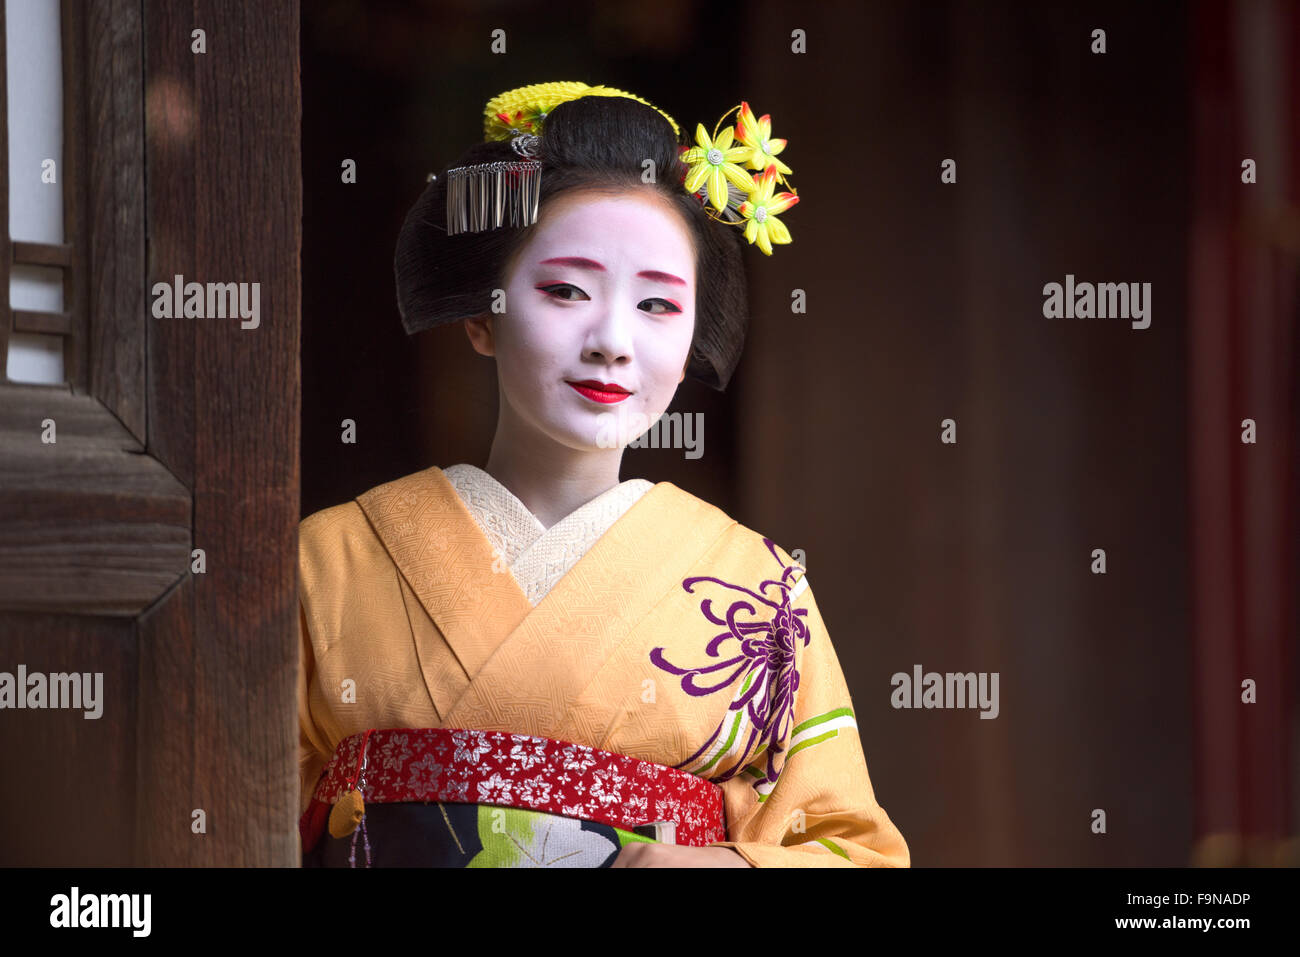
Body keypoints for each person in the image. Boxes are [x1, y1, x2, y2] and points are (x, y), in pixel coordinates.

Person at [298, 81, 909, 868]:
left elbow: (854, 849)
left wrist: (718, 864)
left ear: (692, 338)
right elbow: (227, 809)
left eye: (658, 304)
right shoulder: (330, 558)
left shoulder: (762, 589)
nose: (613, 340)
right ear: (480, 313)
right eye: (566, 290)